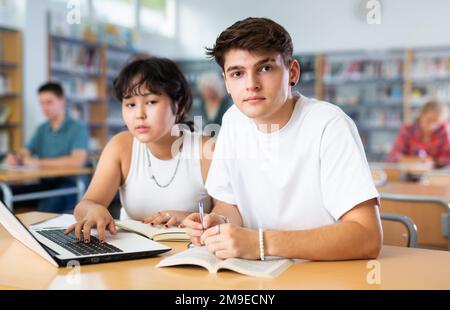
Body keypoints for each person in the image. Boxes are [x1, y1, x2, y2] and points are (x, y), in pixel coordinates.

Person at [183, 17, 382, 261]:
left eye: (265, 68)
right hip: (256, 274)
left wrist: (261, 243)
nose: (251, 85)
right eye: (237, 73)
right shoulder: (234, 120)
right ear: (226, 82)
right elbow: (229, 205)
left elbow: (367, 236)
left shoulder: (329, 125)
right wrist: (219, 222)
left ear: (292, 72)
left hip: (322, 273)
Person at [65, 57, 213, 242]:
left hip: (190, 254)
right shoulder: (121, 146)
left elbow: (229, 213)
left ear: (179, 104)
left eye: (151, 102)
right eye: (130, 104)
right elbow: (84, 205)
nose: (139, 114)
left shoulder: (206, 149)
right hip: (131, 256)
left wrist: (191, 218)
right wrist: (94, 209)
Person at [3, 82, 89, 213]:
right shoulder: (42, 129)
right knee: (3, 194)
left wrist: (36, 162)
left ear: (62, 101)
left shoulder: (78, 128)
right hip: (46, 185)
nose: (44, 108)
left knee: (47, 206)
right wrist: (17, 157)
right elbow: (25, 151)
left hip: (71, 186)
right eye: (41, 103)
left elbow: (77, 161)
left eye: (49, 102)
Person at [386, 100, 450, 168]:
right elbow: (392, 157)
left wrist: (432, 161)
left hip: (435, 176)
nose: (432, 125)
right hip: (409, 174)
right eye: (429, 120)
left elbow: (447, 159)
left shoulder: (444, 131)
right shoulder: (408, 130)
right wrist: (419, 160)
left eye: (437, 122)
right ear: (421, 115)